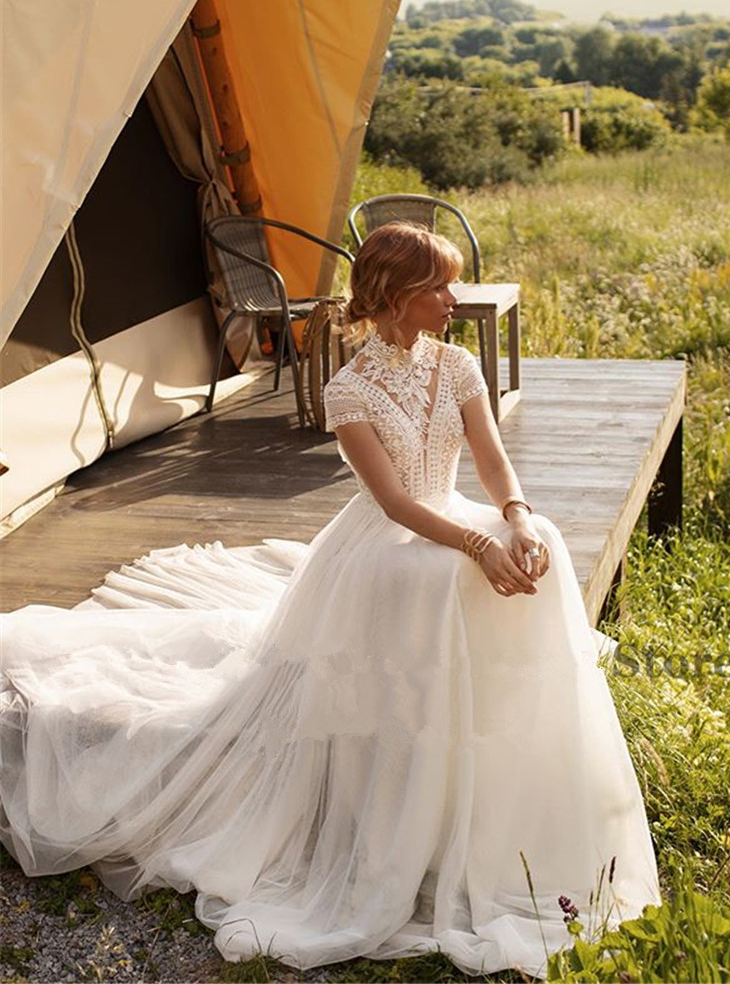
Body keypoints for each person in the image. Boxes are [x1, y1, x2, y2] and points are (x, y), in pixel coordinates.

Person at [0, 222, 661, 980]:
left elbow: (491, 460)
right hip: (389, 543)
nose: (454, 298)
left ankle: (517, 770)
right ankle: (418, 787)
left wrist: (515, 518)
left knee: (541, 540)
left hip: (454, 518)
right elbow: (395, 504)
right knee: (448, 576)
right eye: (439, 287)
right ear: (397, 296)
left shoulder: (456, 365)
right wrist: (478, 545)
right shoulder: (349, 390)